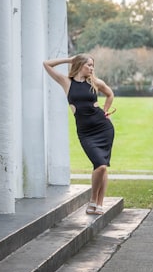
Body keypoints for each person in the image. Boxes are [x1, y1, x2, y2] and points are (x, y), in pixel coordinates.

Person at [43, 54, 115, 215]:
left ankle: (99, 203)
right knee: (100, 165)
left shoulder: (94, 82)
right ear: (80, 65)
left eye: (92, 66)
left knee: (102, 166)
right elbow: (46, 64)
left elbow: (110, 94)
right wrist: (69, 60)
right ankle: (93, 200)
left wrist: (105, 111)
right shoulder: (67, 82)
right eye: (88, 65)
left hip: (103, 128)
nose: (91, 68)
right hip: (86, 132)